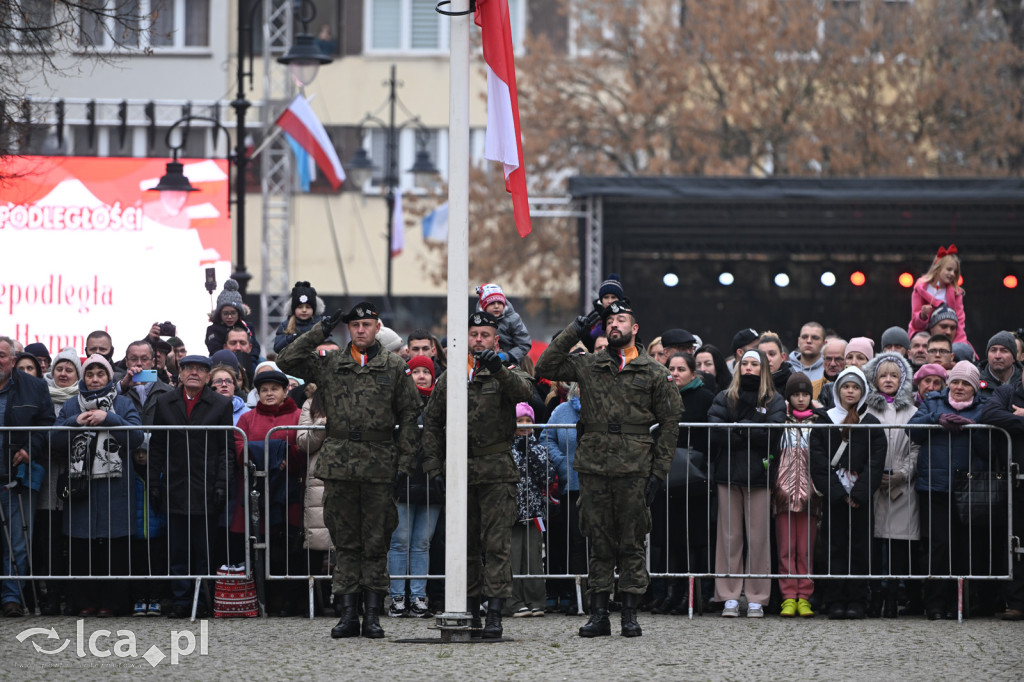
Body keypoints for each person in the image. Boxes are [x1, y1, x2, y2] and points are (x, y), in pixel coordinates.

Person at [536, 299, 681, 638]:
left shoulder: (654, 372)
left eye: (622, 320)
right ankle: (599, 613)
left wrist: (658, 473)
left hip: (634, 469)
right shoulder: (590, 365)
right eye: (610, 321)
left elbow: (671, 424)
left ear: (635, 328)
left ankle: (630, 613)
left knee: (631, 544)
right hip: (595, 468)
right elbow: (546, 364)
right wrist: (578, 327)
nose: (615, 325)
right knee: (598, 543)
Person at [276, 301, 420, 639]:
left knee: (375, 541)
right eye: (354, 325)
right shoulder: (331, 364)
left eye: (367, 325)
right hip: (339, 463)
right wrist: (319, 330)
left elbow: (410, 416)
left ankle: (372, 614)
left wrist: (405, 463)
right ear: (348, 330)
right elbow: (286, 360)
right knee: (345, 542)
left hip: (379, 463)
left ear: (377, 327)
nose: (360, 330)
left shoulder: (394, 368)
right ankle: (347, 614)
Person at [422, 311, 534, 639]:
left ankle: (496, 613)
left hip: (496, 470)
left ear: (496, 340)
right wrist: (434, 466)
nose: (479, 340)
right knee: (464, 544)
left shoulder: (504, 373)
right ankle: (470, 610)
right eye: (474, 335)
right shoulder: (451, 377)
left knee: (496, 545)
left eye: (485, 335)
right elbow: (431, 423)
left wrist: (498, 367)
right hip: (459, 471)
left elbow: (526, 394)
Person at [53, 354, 144, 616]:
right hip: (81, 490)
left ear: (108, 377)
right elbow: (54, 440)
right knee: (82, 548)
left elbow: (136, 437)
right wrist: (73, 423)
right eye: (89, 374)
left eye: (100, 374)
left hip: (115, 490)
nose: (94, 379)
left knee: (115, 549)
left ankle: (112, 603)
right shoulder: (72, 406)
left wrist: (109, 418)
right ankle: (85, 602)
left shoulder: (123, 403)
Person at [149, 355, 236, 618]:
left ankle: (202, 599)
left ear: (209, 377)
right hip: (175, 485)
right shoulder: (165, 402)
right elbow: (156, 447)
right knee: (177, 549)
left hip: (206, 486)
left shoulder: (220, 404)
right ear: (180, 373)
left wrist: (222, 483)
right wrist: (154, 482)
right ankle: (181, 600)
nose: (194, 373)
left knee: (203, 549)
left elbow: (226, 449)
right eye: (189, 368)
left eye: (200, 369)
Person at [708, 349, 785, 619]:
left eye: (755, 364)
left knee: (759, 537)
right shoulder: (724, 397)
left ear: (763, 369)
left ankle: (757, 597)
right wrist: (748, 430)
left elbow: (771, 435)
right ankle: (728, 596)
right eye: (745, 364)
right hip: (728, 473)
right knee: (729, 537)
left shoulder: (774, 400)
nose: (749, 368)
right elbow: (716, 433)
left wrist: (738, 428)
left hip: (760, 476)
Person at [908, 360, 987, 620]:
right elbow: (912, 430)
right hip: (934, 486)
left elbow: (990, 448)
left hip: (968, 487)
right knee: (938, 546)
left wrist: (973, 429)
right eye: (956, 382)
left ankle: (960, 603)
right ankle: (935, 604)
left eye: (966, 384)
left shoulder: (983, 407)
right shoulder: (932, 402)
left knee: (964, 546)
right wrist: (936, 419)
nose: (960, 387)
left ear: (974, 388)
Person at [810, 366, 886, 620]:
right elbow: (818, 460)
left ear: (863, 392)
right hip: (835, 496)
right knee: (835, 546)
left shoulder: (872, 423)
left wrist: (859, 493)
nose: (850, 391)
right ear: (837, 390)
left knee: (860, 548)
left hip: (860, 498)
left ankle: (856, 599)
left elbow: (876, 462)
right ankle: (835, 600)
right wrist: (838, 492)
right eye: (846, 386)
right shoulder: (824, 420)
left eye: (855, 387)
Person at [233, 369, 303, 615]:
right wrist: (274, 457)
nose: (269, 393)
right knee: (259, 545)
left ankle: (290, 602)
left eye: (274, 389)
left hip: (289, 491)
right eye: (264, 390)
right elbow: (240, 447)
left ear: (285, 391)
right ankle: (265, 599)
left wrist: (286, 457)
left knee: (289, 545)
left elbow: (302, 446)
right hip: (257, 490)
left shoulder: (297, 415)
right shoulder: (246, 418)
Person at [655, 352, 715, 615]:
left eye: (681, 369)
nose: (676, 373)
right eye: (672, 368)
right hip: (665, 475)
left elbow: (709, 437)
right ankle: (672, 591)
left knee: (691, 540)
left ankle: (691, 595)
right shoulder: (661, 396)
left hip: (693, 478)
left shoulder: (705, 399)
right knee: (668, 539)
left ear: (693, 372)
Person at [0, 336, 56, 617]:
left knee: (17, 542)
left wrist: (28, 449)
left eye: (1, 355)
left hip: (18, 475)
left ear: (12, 359)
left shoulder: (34, 387)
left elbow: (46, 423)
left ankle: (12, 597)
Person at [863, 352, 920, 619]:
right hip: (874, 485)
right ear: (874, 378)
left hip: (902, 486)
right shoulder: (867, 409)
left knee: (899, 545)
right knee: (875, 543)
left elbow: (917, 447)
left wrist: (903, 473)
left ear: (903, 379)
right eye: (883, 375)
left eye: (894, 375)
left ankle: (892, 599)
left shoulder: (912, 412)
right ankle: (875, 596)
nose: (888, 380)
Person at [389, 354, 441, 620]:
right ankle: (397, 596)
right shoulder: (399, 402)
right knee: (400, 542)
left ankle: (418, 596)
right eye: (416, 371)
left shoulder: (440, 403)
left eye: (426, 371)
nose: (422, 375)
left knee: (422, 543)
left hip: (432, 481)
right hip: (404, 479)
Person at [774, 372, 822, 618]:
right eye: (796, 394)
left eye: (805, 394)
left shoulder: (818, 423)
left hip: (810, 495)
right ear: (788, 397)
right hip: (783, 494)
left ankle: (804, 595)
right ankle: (787, 596)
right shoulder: (781, 422)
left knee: (805, 548)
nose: (801, 399)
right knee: (786, 548)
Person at [979, 364, 1024, 620]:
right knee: (1015, 543)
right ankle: (1017, 603)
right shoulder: (1007, 392)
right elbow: (990, 415)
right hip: (1016, 484)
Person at [506, 403, 554, 618]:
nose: (524, 425)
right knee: (513, 556)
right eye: (520, 421)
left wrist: (531, 454)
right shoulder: (507, 448)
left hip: (534, 511)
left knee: (534, 556)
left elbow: (547, 476)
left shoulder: (539, 448)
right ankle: (513, 601)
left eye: (528, 421)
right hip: (512, 511)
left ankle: (536, 600)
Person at [544, 382, 586, 614]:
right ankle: (574, 594)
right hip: (572, 485)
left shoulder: (605, 408)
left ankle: (598, 594)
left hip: (599, 485)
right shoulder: (561, 411)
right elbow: (546, 439)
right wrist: (562, 462)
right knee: (575, 542)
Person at [909, 244, 967, 345]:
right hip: (923, 334)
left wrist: (959, 343)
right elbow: (915, 322)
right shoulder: (920, 289)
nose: (952, 274)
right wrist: (922, 315)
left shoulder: (956, 292)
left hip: (949, 337)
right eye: (949, 269)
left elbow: (960, 321)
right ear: (937, 268)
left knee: (962, 350)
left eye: (955, 271)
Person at [476, 282, 533, 364]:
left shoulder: (513, 319)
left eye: (499, 303)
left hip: (509, 365)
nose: (496, 306)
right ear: (484, 306)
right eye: (492, 303)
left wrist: (508, 356)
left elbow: (524, 343)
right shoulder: (477, 321)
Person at [273, 281, 325, 353]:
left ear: (314, 309)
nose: (304, 310)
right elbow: (277, 348)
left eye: (308, 307)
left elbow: (328, 346)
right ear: (294, 309)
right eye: (300, 307)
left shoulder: (321, 324)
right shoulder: (285, 325)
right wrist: (292, 337)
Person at [977, 331, 1022, 399]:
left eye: (1004, 351)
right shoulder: (975, 381)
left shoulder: (1022, 382)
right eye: (993, 350)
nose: (997, 356)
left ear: (1014, 358)